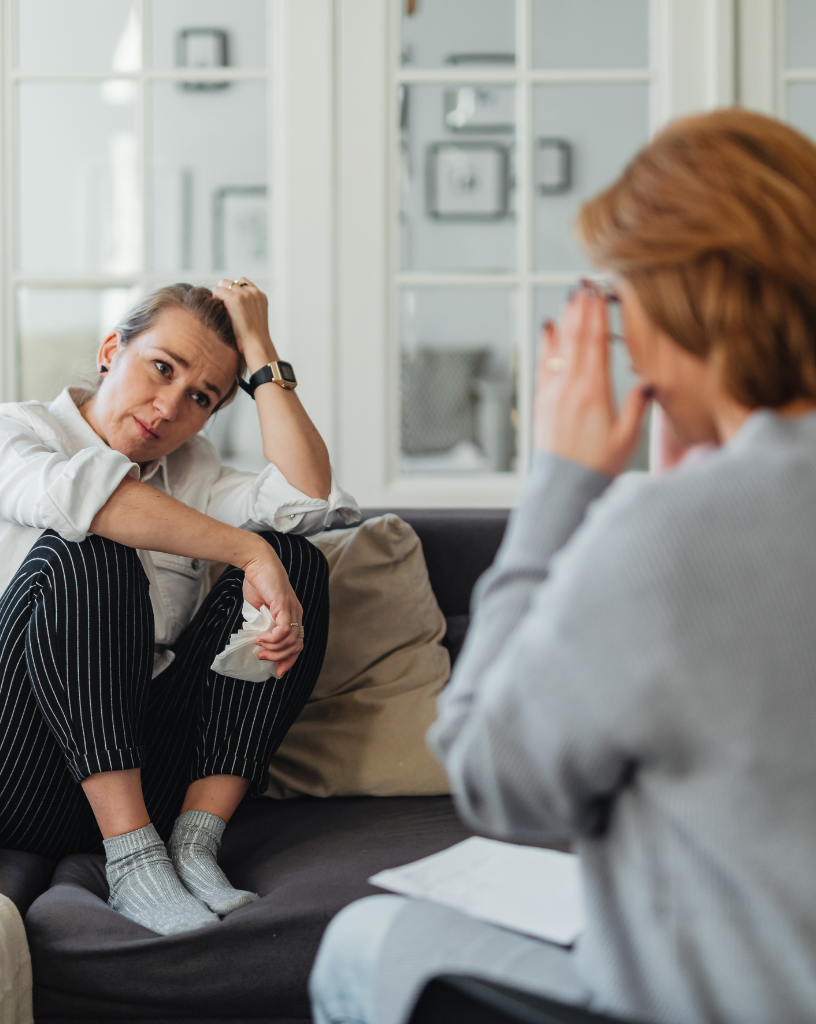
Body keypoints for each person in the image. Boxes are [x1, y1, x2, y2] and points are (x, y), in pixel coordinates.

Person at [310, 108, 816, 1024]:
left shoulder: (665, 535)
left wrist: (559, 488)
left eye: (624, 306)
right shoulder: (688, 519)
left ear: (684, 299)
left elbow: (495, 780)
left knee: (359, 945)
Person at [0, 279, 357, 936]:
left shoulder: (189, 470)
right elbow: (94, 501)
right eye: (161, 368)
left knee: (298, 558)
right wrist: (249, 554)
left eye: (201, 397)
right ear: (112, 349)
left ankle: (192, 848)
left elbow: (309, 498)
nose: (169, 407)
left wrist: (261, 350)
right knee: (94, 544)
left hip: (132, 766)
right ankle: (134, 862)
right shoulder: (8, 432)